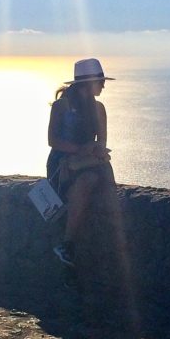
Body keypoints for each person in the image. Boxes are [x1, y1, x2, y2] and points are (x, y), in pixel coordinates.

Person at [47, 58, 115, 267]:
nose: (103, 85)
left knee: (98, 175)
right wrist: (80, 149)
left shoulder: (99, 109)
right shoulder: (61, 106)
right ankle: (68, 244)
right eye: (99, 81)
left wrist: (97, 151)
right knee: (87, 181)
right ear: (87, 83)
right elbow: (53, 141)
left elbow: (102, 140)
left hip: (87, 161)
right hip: (63, 163)